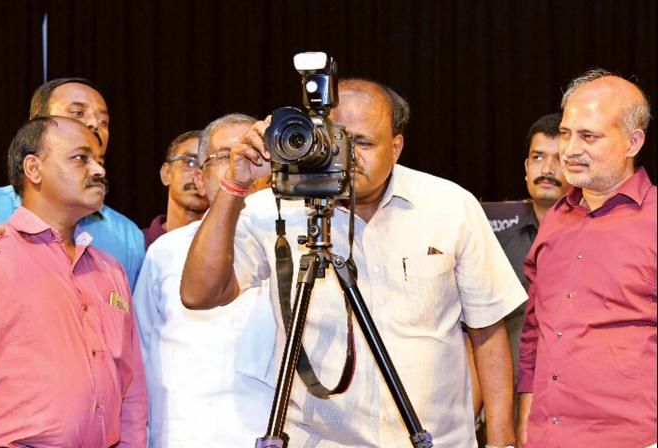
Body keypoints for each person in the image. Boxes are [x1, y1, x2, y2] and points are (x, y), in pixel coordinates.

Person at [181, 78, 524, 446]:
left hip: (437, 440)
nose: (346, 155)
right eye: (336, 138)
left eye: (362, 142)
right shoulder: (276, 207)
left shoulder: (450, 206)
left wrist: (501, 439)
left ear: (396, 147)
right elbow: (200, 294)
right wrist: (235, 187)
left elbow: (487, 330)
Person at [0, 116, 147, 447]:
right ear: (34, 169)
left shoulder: (110, 271)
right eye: (81, 158)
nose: (99, 170)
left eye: (100, 161)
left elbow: (132, 387)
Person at [517, 69, 656, 447]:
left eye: (589, 136)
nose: (570, 150)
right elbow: (534, 335)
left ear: (632, 142)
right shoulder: (555, 221)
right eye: (566, 133)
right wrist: (527, 424)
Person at [134, 114, 274, 447]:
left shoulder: (297, 244)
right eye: (226, 156)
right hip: (183, 435)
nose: (244, 163)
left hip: (273, 433)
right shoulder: (166, 251)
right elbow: (140, 358)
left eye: (257, 152)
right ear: (199, 179)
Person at [0, 77, 145, 285]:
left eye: (103, 121)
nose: (92, 124)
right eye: (77, 113)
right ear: (37, 124)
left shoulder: (128, 237)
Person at [496, 112, 570, 374]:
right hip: (512, 388)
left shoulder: (594, 240)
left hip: (574, 388)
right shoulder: (497, 243)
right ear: (526, 167)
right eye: (538, 157)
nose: (547, 169)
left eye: (559, 159)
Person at [142, 130, 208, 248]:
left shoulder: (232, 249)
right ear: (166, 173)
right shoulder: (135, 246)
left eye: (208, 166)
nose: (199, 174)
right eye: (189, 162)